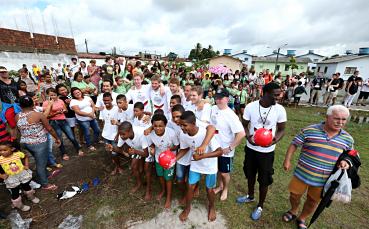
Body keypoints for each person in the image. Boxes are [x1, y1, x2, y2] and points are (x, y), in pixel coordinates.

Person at [282, 105, 354, 229]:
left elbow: (351, 156)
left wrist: (347, 162)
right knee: (294, 195)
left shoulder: (347, 139)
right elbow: (294, 144)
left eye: (344, 119)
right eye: (337, 118)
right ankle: (293, 211)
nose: (340, 122)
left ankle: (302, 218)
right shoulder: (309, 130)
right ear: (327, 117)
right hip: (302, 173)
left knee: (313, 201)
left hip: (324, 180)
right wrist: (287, 160)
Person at [237, 82, 287, 221]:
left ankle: (260, 206)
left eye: (279, 94)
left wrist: (274, 140)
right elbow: (244, 125)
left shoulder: (280, 109)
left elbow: (282, 129)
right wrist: (248, 137)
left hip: (267, 152)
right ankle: (250, 196)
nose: (278, 97)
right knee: (250, 174)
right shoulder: (251, 107)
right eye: (275, 95)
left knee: (264, 180)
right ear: (264, 93)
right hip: (251, 149)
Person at [176, 111, 222, 222]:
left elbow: (220, 152)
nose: (182, 128)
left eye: (185, 125)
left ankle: (211, 207)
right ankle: (187, 208)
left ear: (194, 123)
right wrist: (175, 159)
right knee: (190, 186)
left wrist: (203, 156)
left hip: (210, 166)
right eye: (180, 125)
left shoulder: (205, 134)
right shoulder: (183, 134)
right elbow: (185, 148)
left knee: (209, 189)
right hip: (195, 164)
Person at [16, 95, 61, 191]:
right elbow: (49, 128)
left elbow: (20, 130)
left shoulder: (17, 116)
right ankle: (45, 184)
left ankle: (45, 175)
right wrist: (57, 138)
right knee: (41, 163)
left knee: (38, 159)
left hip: (25, 142)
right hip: (38, 143)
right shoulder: (38, 115)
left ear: (20, 106)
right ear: (33, 104)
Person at [211, 89, 245, 201]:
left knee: (225, 173)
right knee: (218, 169)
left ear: (227, 99)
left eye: (221, 98)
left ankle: (225, 189)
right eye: (217, 98)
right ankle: (220, 186)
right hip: (214, 147)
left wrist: (230, 148)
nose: (218, 100)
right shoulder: (213, 108)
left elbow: (241, 133)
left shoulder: (231, 115)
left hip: (226, 150)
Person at [106, 122, 149, 194]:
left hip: (148, 149)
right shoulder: (123, 135)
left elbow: (146, 154)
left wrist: (134, 151)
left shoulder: (141, 134)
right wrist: (112, 148)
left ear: (131, 131)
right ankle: (139, 183)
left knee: (147, 168)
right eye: (120, 134)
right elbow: (119, 149)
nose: (121, 136)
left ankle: (148, 185)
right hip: (137, 148)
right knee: (133, 166)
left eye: (123, 134)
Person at [147, 114, 179, 208]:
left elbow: (177, 145)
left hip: (169, 159)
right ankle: (163, 190)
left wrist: (170, 149)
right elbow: (152, 143)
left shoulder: (171, 133)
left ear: (165, 125)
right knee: (160, 176)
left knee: (168, 178)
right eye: (155, 126)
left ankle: (169, 196)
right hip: (158, 159)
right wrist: (152, 148)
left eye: (160, 126)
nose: (157, 128)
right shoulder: (151, 133)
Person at [43, 88, 83, 160]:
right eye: (51, 95)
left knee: (71, 136)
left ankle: (78, 148)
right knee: (59, 138)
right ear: (47, 95)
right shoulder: (46, 103)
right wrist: (56, 113)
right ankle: (64, 153)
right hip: (54, 122)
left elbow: (66, 110)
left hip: (63, 120)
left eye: (54, 95)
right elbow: (46, 116)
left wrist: (64, 111)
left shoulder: (60, 101)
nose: (53, 97)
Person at [0, 141, 40, 211]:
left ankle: (31, 197)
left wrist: (26, 165)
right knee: (15, 191)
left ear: (12, 149)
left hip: (21, 174)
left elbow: (25, 157)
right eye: (0, 151)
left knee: (26, 185)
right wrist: (1, 175)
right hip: (11, 177)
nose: (2, 152)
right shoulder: (0, 159)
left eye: (4, 150)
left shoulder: (18, 154)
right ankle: (19, 205)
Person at [70, 87, 101, 152]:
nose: (77, 94)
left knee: (97, 130)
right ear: (73, 95)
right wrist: (89, 115)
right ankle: (89, 145)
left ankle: (96, 140)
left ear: (80, 91)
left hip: (92, 117)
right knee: (87, 133)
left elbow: (93, 105)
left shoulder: (87, 97)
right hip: (83, 120)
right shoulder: (73, 101)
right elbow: (78, 112)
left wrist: (92, 113)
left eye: (78, 92)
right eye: (75, 93)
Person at [99, 92, 122, 175]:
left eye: (108, 100)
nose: (106, 102)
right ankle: (115, 164)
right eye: (104, 100)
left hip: (114, 135)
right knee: (109, 151)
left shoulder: (117, 109)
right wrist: (103, 132)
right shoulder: (102, 109)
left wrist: (118, 134)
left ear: (112, 100)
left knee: (114, 153)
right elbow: (102, 121)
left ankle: (118, 167)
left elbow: (120, 122)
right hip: (105, 135)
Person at [0, 66, 21, 140]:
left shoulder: (14, 82)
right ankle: (14, 141)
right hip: (7, 106)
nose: (4, 73)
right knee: (12, 124)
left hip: (18, 104)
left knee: (22, 122)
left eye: (5, 71)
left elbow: (19, 93)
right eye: (1, 72)